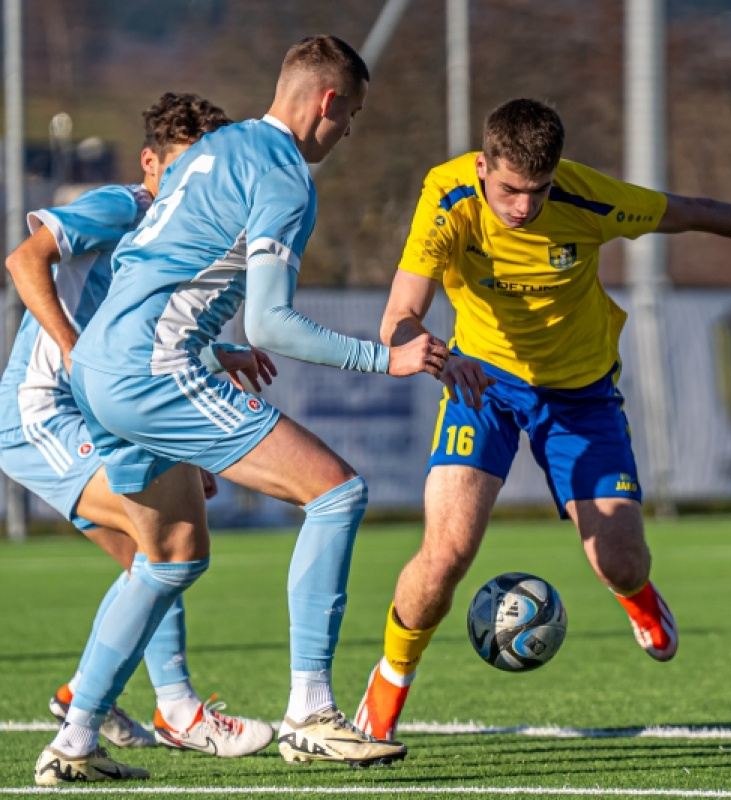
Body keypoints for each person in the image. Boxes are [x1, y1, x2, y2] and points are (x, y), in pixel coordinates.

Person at [33, 35, 449, 786]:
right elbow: (271, 326)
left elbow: (155, 266)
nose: (348, 131)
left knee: (172, 557)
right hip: (151, 369)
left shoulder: (211, 150)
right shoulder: (285, 176)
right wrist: (386, 359)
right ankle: (312, 715)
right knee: (337, 492)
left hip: (97, 369)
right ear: (328, 101)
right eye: (350, 114)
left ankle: (74, 738)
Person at [353, 97, 731, 741]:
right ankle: (391, 681)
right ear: (482, 166)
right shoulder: (447, 195)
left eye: (537, 192)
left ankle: (638, 598)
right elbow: (400, 312)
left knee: (619, 561)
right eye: (508, 190)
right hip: (482, 384)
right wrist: (428, 351)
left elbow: (693, 212)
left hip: (580, 396)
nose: (522, 208)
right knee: (447, 552)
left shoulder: (590, 198)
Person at [0, 93, 275, 774]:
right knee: (169, 548)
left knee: (152, 561)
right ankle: (174, 711)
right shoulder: (129, 207)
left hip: (101, 414)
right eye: (180, 167)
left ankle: (82, 709)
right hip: (44, 416)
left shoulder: (180, 233)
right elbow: (23, 261)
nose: (193, 182)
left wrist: (218, 357)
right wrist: (69, 348)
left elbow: (144, 340)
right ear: (151, 162)